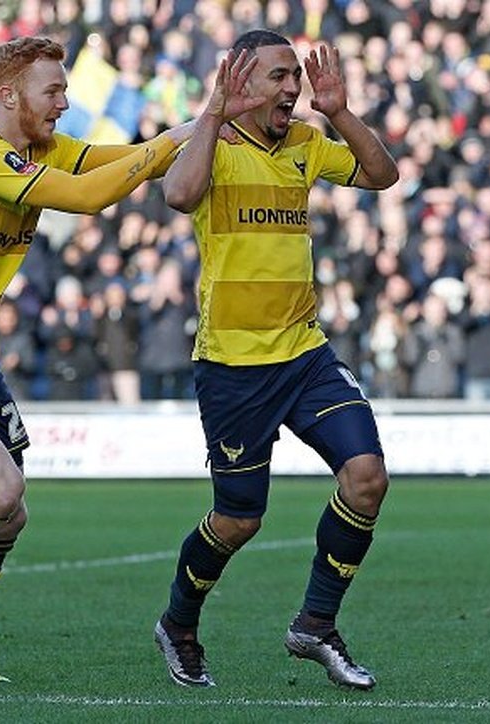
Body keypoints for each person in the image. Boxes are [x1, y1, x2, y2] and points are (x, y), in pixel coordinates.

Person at [0, 36, 260, 684]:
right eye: (52, 90)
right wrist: (174, 142)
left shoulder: (41, 149)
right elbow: (86, 196)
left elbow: (130, 159)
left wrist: (212, 118)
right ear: (7, 94)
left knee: (7, 515)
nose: (64, 102)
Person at [154, 30, 398, 690]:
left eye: (296, 75)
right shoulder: (210, 143)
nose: (293, 87)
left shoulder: (306, 143)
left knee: (367, 476)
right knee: (239, 519)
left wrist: (341, 111)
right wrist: (211, 116)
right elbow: (178, 195)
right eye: (278, 76)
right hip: (233, 366)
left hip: (305, 354)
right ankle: (178, 623)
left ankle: (316, 624)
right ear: (238, 81)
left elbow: (383, 174)